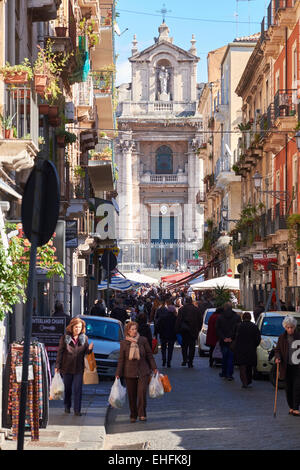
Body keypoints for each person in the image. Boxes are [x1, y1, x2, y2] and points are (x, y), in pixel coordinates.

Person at [115, 321, 158, 423]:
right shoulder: (124, 343)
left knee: (141, 393)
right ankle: (133, 414)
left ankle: (142, 413)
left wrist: (154, 368)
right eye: (132, 329)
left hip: (143, 371)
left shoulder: (143, 340)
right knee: (131, 395)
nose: (134, 331)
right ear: (128, 331)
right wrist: (118, 373)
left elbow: (149, 355)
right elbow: (121, 359)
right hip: (129, 372)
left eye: (135, 329)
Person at [55, 317, 93, 416]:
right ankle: (67, 406)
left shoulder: (84, 338)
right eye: (76, 327)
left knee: (78, 389)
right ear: (71, 327)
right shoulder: (65, 338)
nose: (78, 329)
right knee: (67, 389)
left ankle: (77, 410)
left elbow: (86, 353)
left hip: (79, 368)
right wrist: (57, 366)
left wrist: (89, 349)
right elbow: (60, 352)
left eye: (80, 327)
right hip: (66, 367)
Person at [275, 316, 300, 416]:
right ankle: (291, 407)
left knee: (297, 387)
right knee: (288, 388)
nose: (290, 329)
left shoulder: (299, 336)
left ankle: (295, 408)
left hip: (298, 366)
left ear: (295, 327)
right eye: (288, 327)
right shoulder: (282, 337)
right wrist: (277, 357)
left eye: (292, 327)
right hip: (286, 366)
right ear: (285, 327)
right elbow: (277, 350)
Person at [233, 312, 261, 389]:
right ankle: (248, 381)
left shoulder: (238, 326)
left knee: (242, 366)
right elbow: (258, 339)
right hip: (250, 349)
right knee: (249, 366)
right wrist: (254, 345)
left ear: (243, 318)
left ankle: (244, 382)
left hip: (240, 349)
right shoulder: (254, 327)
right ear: (250, 318)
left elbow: (233, 337)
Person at [216, 302, 241, 381]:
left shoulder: (220, 317)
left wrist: (223, 338)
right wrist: (232, 338)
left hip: (224, 340)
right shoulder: (236, 317)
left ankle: (224, 372)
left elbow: (217, 329)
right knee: (231, 357)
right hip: (232, 341)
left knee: (224, 357)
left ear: (224, 308)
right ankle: (229, 374)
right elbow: (238, 329)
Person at [175, 297, 202, 368]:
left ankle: (184, 360)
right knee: (192, 347)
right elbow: (200, 320)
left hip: (184, 331)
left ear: (185, 301)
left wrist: (177, 330)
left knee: (184, 346)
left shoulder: (181, 310)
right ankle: (190, 362)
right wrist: (198, 329)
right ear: (192, 301)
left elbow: (178, 321)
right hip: (193, 331)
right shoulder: (196, 310)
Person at [156, 298, 177, 367]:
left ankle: (164, 358)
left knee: (163, 348)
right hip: (172, 336)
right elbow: (177, 327)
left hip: (163, 335)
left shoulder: (163, 317)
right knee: (170, 349)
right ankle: (169, 361)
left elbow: (158, 325)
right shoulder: (175, 318)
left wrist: (157, 333)